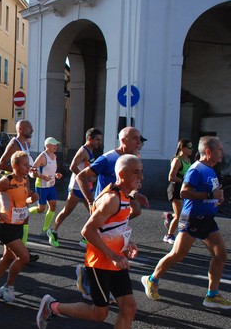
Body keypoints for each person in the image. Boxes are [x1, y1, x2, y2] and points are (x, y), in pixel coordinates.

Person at [37, 154, 145, 329]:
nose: (141, 176)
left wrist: (127, 242)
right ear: (122, 174)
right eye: (136, 172)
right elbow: (87, 230)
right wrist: (112, 255)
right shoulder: (112, 198)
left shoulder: (125, 197)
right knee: (99, 314)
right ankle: (53, 307)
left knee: (129, 307)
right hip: (100, 263)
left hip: (116, 261)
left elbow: (113, 227)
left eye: (141, 171)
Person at [142, 136, 230, 309]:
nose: (223, 152)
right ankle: (151, 280)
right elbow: (184, 192)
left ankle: (212, 295)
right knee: (177, 255)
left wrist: (216, 200)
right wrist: (211, 196)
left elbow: (210, 193)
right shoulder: (197, 169)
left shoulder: (211, 169)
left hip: (208, 220)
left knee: (221, 256)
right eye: (220, 149)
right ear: (209, 151)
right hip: (191, 219)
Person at [74, 127, 148, 300]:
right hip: (106, 207)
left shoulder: (134, 160)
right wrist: (92, 202)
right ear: (124, 140)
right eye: (136, 139)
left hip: (120, 204)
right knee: (96, 240)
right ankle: (87, 273)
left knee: (136, 211)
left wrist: (136, 194)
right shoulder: (108, 158)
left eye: (140, 139)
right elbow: (81, 177)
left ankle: (99, 275)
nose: (139, 143)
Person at [0, 120, 40, 262]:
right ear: (21, 129)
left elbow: (23, 163)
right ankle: (20, 251)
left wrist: (28, 169)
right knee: (11, 215)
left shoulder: (24, 145)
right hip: (10, 185)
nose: (33, 130)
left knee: (23, 215)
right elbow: (0, 165)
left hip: (22, 182)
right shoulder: (14, 144)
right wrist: (18, 170)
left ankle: (19, 249)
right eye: (30, 128)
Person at [0, 151, 36, 302]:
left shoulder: (25, 180)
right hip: (6, 226)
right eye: (25, 164)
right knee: (24, 257)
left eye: (28, 164)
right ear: (14, 166)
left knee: (8, 257)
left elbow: (25, 199)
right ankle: (9, 286)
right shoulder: (6, 181)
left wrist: (32, 198)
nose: (28, 167)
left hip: (18, 224)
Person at [48, 128, 102, 247]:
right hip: (77, 186)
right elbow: (72, 166)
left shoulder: (91, 151)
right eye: (97, 140)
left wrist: (91, 178)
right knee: (67, 211)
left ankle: (86, 237)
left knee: (94, 211)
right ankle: (53, 231)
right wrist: (85, 178)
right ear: (89, 139)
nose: (99, 142)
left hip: (87, 186)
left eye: (100, 140)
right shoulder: (83, 150)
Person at [30, 137, 63, 245]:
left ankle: (45, 229)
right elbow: (32, 170)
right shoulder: (42, 156)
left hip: (51, 185)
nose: (55, 146)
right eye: (53, 144)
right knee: (41, 209)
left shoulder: (54, 156)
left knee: (53, 205)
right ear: (47, 145)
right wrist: (42, 176)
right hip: (41, 186)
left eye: (56, 144)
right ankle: (26, 211)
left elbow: (52, 169)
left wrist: (56, 175)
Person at [163, 138, 193, 244]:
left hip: (184, 190)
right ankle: (168, 235)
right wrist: (183, 180)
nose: (191, 149)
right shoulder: (177, 160)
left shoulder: (189, 160)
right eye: (189, 147)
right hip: (175, 189)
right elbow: (171, 177)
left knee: (184, 213)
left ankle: (170, 216)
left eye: (192, 147)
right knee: (180, 214)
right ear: (182, 147)